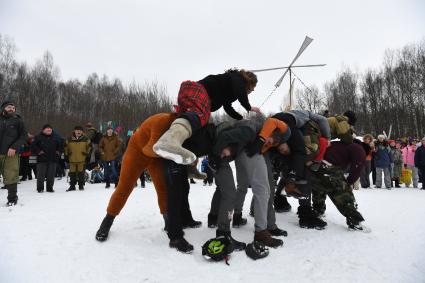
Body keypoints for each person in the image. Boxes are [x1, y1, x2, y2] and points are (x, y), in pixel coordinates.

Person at [95, 113, 205, 246]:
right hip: (138, 152)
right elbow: (149, 149)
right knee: (124, 188)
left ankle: (168, 221)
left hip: (156, 156)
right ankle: (107, 221)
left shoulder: (182, 129)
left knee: (163, 188)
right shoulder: (162, 122)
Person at [208, 117, 290, 248]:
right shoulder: (253, 130)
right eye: (271, 139)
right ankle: (261, 232)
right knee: (263, 191)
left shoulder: (256, 132)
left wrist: (231, 151)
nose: (269, 142)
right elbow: (229, 135)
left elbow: (239, 140)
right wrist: (216, 155)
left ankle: (237, 216)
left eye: (273, 143)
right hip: (248, 152)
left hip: (242, 151)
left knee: (243, 186)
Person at [153, 69, 260, 165]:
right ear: (249, 82)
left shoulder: (232, 89)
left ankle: (187, 164)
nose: (253, 90)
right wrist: (249, 107)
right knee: (199, 116)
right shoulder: (237, 78)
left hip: (197, 94)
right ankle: (169, 141)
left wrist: (240, 118)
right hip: (197, 90)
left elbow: (228, 107)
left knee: (198, 125)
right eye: (253, 87)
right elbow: (239, 89)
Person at [310, 141, 368, 231]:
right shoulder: (360, 150)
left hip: (317, 164)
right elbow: (357, 168)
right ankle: (354, 221)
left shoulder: (344, 144)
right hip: (330, 167)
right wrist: (348, 183)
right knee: (342, 194)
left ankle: (318, 211)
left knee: (319, 186)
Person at [0, 101, 26, 206]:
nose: (12, 109)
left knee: (11, 175)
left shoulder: (18, 121)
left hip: (11, 154)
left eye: (13, 108)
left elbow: (24, 136)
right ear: (3, 108)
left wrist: (14, 147)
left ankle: (12, 198)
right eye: (9, 107)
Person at [31, 124, 63, 193]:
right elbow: (33, 146)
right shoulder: (38, 137)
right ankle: (40, 188)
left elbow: (61, 145)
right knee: (40, 175)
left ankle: (50, 188)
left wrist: (59, 151)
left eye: (50, 129)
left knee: (51, 175)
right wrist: (38, 151)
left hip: (53, 158)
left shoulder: (56, 137)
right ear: (43, 130)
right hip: (42, 159)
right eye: (47, 129)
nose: (49, 130)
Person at [65, 126, 91, 191]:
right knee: (72, 174)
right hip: (72, 159)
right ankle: (72, 186)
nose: (78, 132)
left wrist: (87, 155)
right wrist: (66, 156)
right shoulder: (69, 139)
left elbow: (90, 147)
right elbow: (65, 148)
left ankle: (81, 186)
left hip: (82, 159)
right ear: (74, 131)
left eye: (80, 130)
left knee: (81, 173)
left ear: (82, 132)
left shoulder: (86, 139)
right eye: (77, 130)